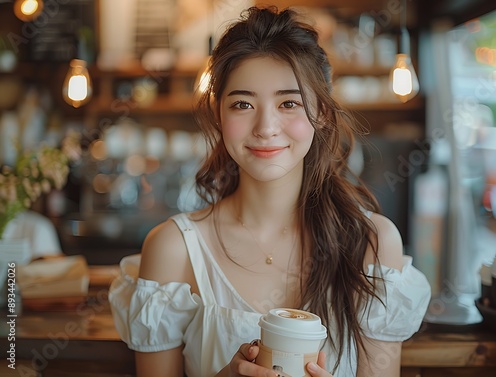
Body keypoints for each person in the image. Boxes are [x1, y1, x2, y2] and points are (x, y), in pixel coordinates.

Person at [109, 6, 431, 377]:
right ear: (219, 113)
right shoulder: (173, 248)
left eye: (288, 103)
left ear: (322, 113)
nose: (265, 126)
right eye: (243, 104)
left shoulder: (372, 243)